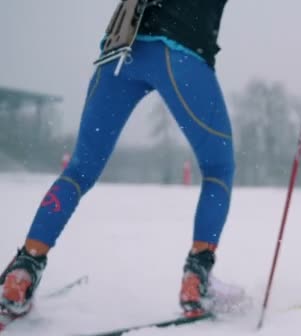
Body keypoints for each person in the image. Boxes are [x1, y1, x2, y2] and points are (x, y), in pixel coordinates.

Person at [0, 0, 233, 319]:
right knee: (218, 168)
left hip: (122, 52)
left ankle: (24, 269)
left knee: (80, 170)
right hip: (180, 51)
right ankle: (197, 277)